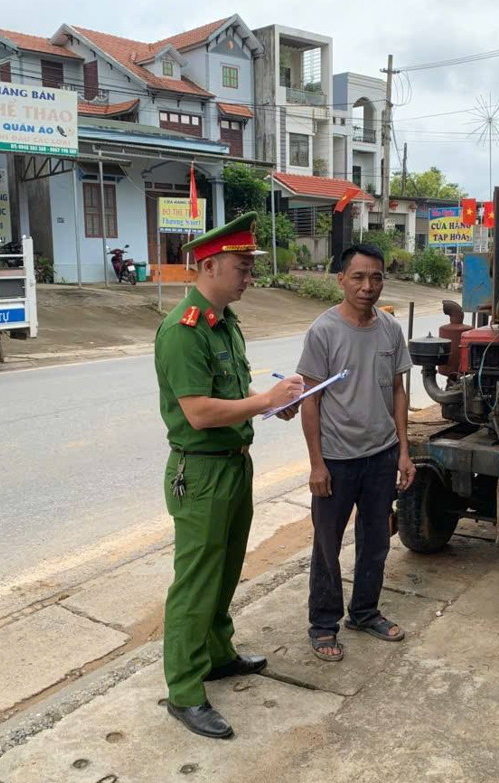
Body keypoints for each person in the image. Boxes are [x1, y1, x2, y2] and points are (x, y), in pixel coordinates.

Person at [154, 212, 304, 740]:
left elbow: (233, 401)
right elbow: (197, 412)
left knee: (225, 570)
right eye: (242, 267)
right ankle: (185, 690)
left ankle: (217, 654)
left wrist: (273, 406)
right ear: (211, 265)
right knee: (196, 581)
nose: (249, 277)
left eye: (250, 267)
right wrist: (264, 400)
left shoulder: (225, 322)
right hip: (201, 472)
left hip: (234, 465)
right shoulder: (183, 330)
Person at [296, 243, 416, 662]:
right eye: (359, 277)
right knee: (327, 545)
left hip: (382, 456)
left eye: (376, 277)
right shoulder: (324, 331)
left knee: (376, 540)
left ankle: (364, 613)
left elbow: (399, 391)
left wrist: (403, 450)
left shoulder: (389, 329)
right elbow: (308, 401)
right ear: (341, 280)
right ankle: (323, 624)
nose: (368, 286)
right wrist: (316, 464)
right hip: (337, 460)